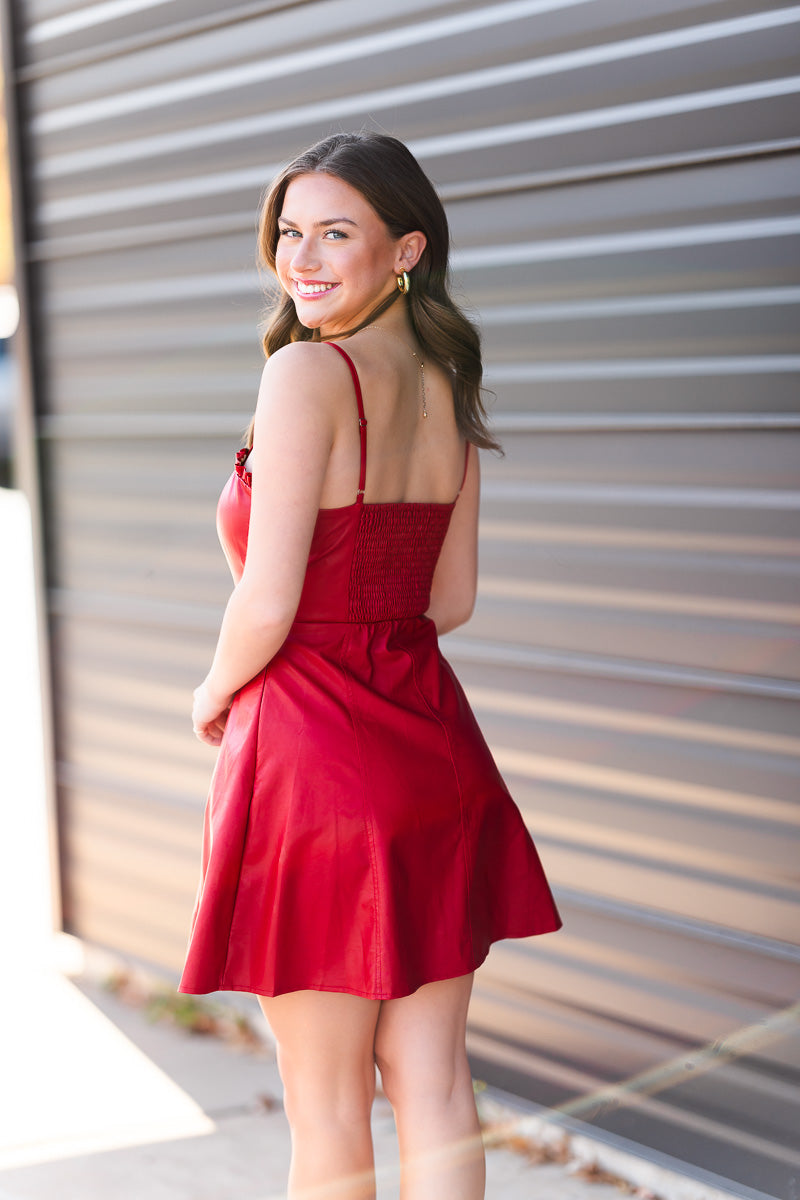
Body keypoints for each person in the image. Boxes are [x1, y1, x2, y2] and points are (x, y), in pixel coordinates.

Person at [178, 131, 561, 1200]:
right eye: (288, 232)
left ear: (404, 249)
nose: (300, 257)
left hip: (311, 759)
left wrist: (212, 692)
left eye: (333, 233)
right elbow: (449, 601)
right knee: (433, 1080)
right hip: (432, 750)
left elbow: (268, 599)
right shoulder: (444, 381)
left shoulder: (307, 372)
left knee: (328, 1105)